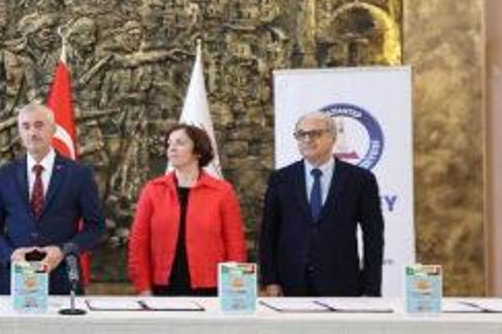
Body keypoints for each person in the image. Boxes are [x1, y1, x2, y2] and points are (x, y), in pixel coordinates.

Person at [0, 102, 106, 295]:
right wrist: (10, 254)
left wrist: (64, 250)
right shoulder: (4, 175)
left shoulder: (79, 174)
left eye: (39, 125)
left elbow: (95, 226)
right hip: (14, 277)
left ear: (53, 129)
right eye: (26, 126)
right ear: (19, 132)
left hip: (61, 279)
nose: (32, 132)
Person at [259, 110, 384, 297]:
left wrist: (371, 289)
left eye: (315, 133)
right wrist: (270, 280)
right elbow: (268, 234)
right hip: (290, 284)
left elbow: (373, 237)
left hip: (342, 284)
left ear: (333, 138)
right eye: (301, 134)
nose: (307, 139)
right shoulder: (281, 179)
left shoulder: (360, 180)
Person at [127, 124, 247, 296]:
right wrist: (143, 287)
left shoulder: (223, 192)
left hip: (212, 288)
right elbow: (139, 243)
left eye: (180, 143)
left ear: (198, 151)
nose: (172, 148)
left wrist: (235, 292)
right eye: (169, 143)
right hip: (163, 287)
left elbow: (235, 244)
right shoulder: (153, 190)